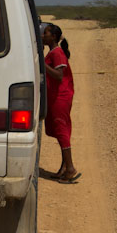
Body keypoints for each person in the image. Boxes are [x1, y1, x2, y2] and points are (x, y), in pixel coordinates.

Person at [43, 23, 81, 183]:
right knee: (60, 130)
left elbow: (59, 75)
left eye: (45, 33)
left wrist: (42, 64)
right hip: (55, 97)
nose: (43, 36)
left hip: (60, 97)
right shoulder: (53, 52)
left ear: (53, 37)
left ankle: (70, 168)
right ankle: (64, 168)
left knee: (61, 130)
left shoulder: (57, 53)